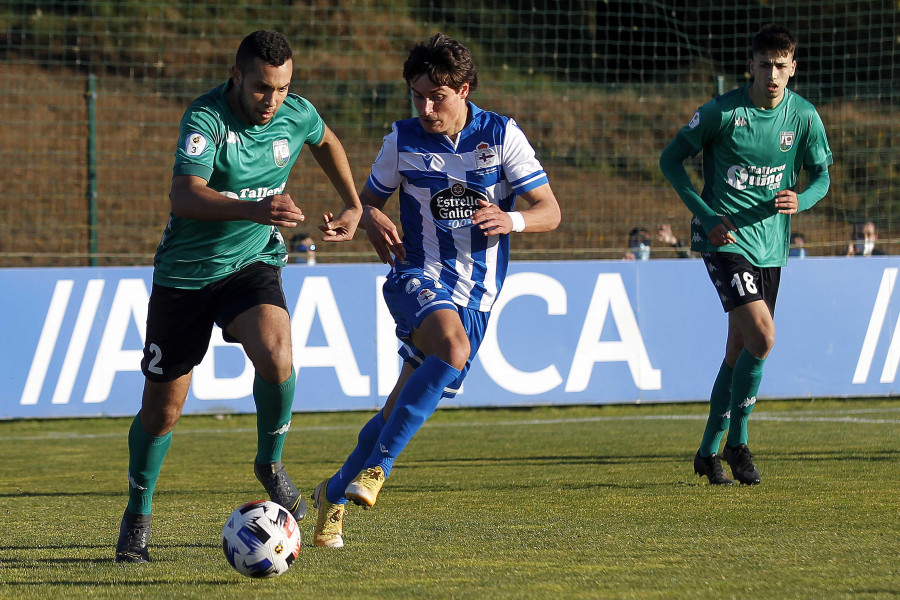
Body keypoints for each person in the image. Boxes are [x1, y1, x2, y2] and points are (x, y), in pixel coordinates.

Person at [114, 30, 363, 563]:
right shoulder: (205, 120)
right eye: (261, 88)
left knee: (277, 354)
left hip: (252, 264)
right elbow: (184, 195)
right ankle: (138, 513)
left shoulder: (293, 113)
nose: (272, 100)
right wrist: (257, 208)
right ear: (237, 77)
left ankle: (269, 464)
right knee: (162, 411)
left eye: (282, 88)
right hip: (185, 277)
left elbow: (326, 140)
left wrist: (353, 204)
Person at [310, 32, 561, 548]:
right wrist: (366, 218)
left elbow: (549, 211)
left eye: (437, 97)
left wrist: (511, 217)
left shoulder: (502, 135)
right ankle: (378, 470)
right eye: (417, 95)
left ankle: (332, 495)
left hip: (478, 296)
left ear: (465, 89)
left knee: (395, 407)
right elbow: (365, 202)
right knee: (451, 347)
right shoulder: (401, 140)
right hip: (416, 276)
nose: (426, 108)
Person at [659, 24, 832, 485]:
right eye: (764, 65)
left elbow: (821, 177)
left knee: (739, 349)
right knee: (764, 337)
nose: (772, 75)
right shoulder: (722, 112)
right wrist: (705, 214)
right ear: (749, 66)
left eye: (781, 66)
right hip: (725, 243)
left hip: (771, 248)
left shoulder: (804, 117)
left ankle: (706, 453)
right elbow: (670, 160)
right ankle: (739, 441)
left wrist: (804, 198)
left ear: (793, 69)